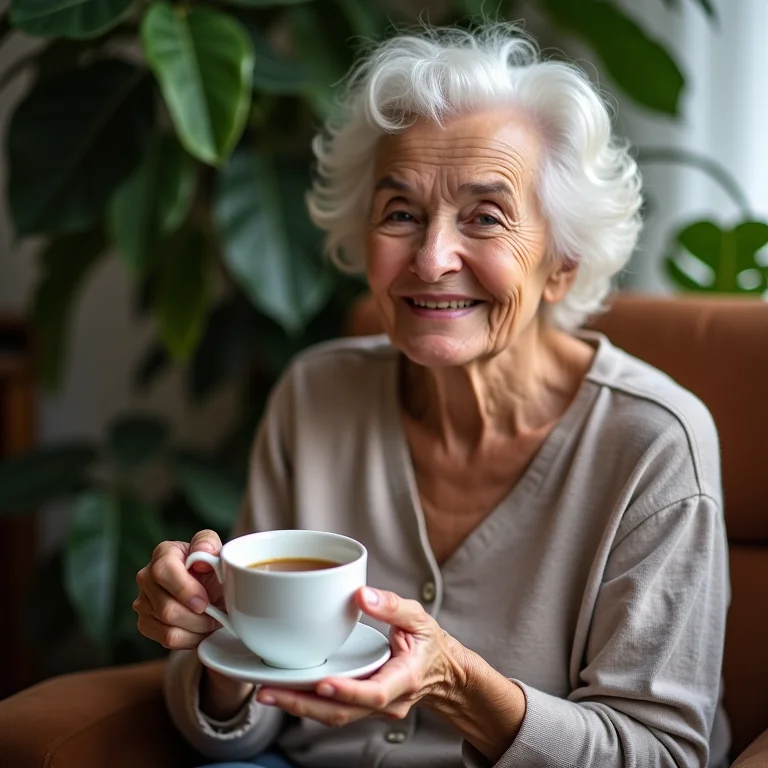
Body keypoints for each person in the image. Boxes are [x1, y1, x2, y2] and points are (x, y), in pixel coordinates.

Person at [133, 23, 730, 768]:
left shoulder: (653, 441)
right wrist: (220, 639)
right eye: (401, 212)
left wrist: (454, 682)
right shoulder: (313, 394)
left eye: (485, 216)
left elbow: (663, 756)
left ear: (563, 264)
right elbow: (234, 733)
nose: (432, 257)